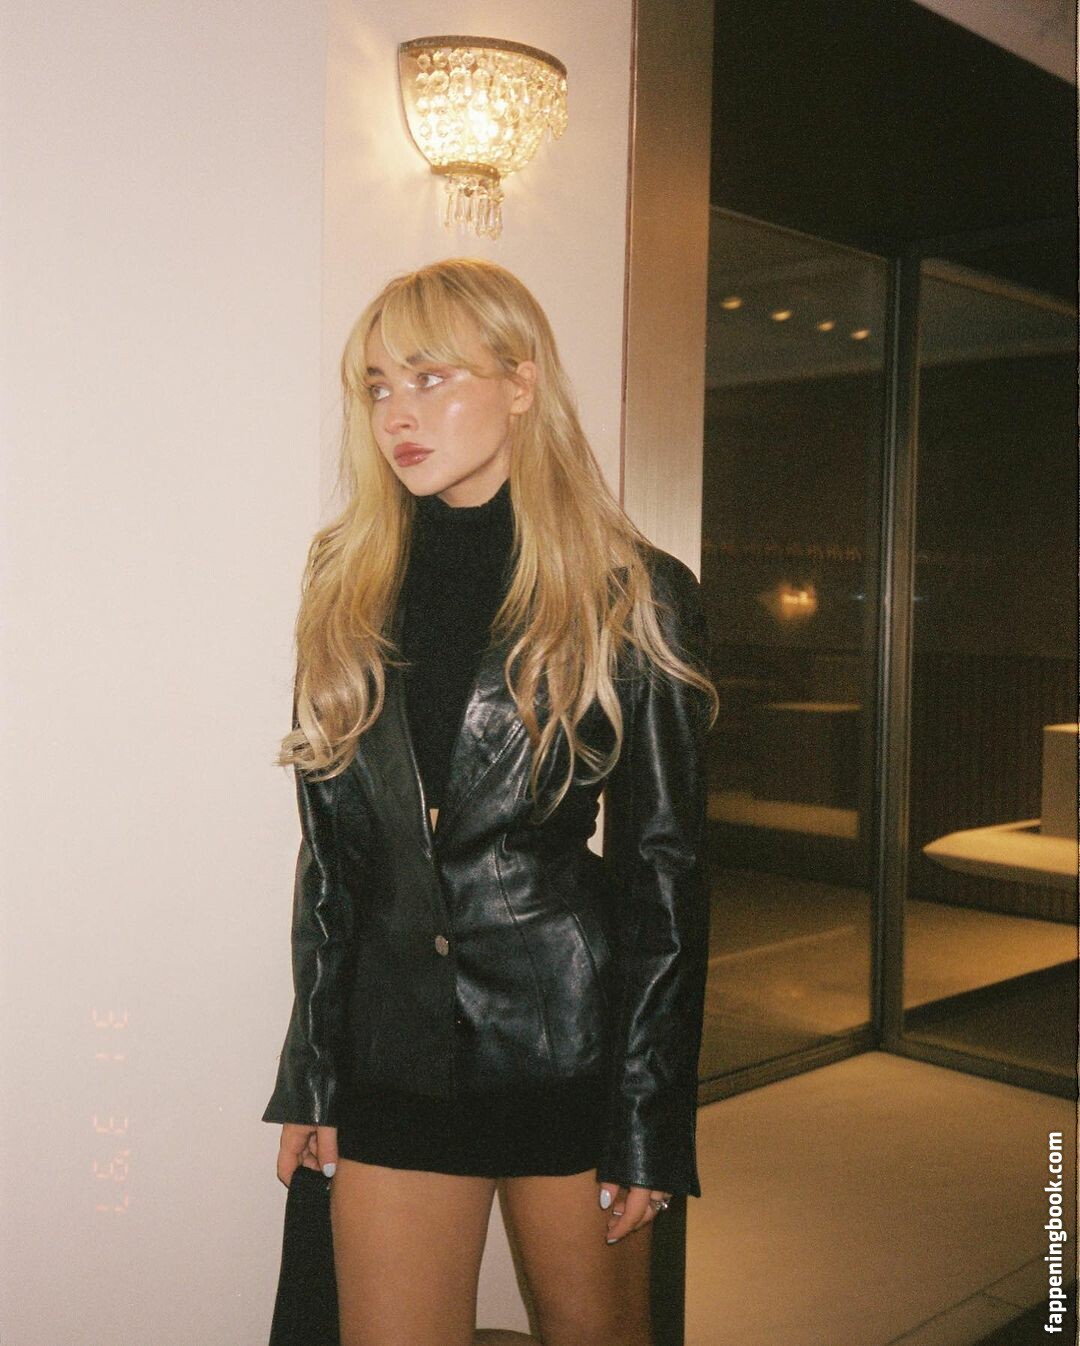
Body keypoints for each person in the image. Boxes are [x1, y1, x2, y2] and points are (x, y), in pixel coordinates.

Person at [263, 257, 718, 1346]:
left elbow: (665, 873)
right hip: (393, 1049)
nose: (396, 415)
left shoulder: (629, 590)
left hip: (570, 1043)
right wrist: (313, 1073)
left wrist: (649, 1120)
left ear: (521, 382)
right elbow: (331, 854)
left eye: (430, 378)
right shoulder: (345, 576)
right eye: (378, 386)